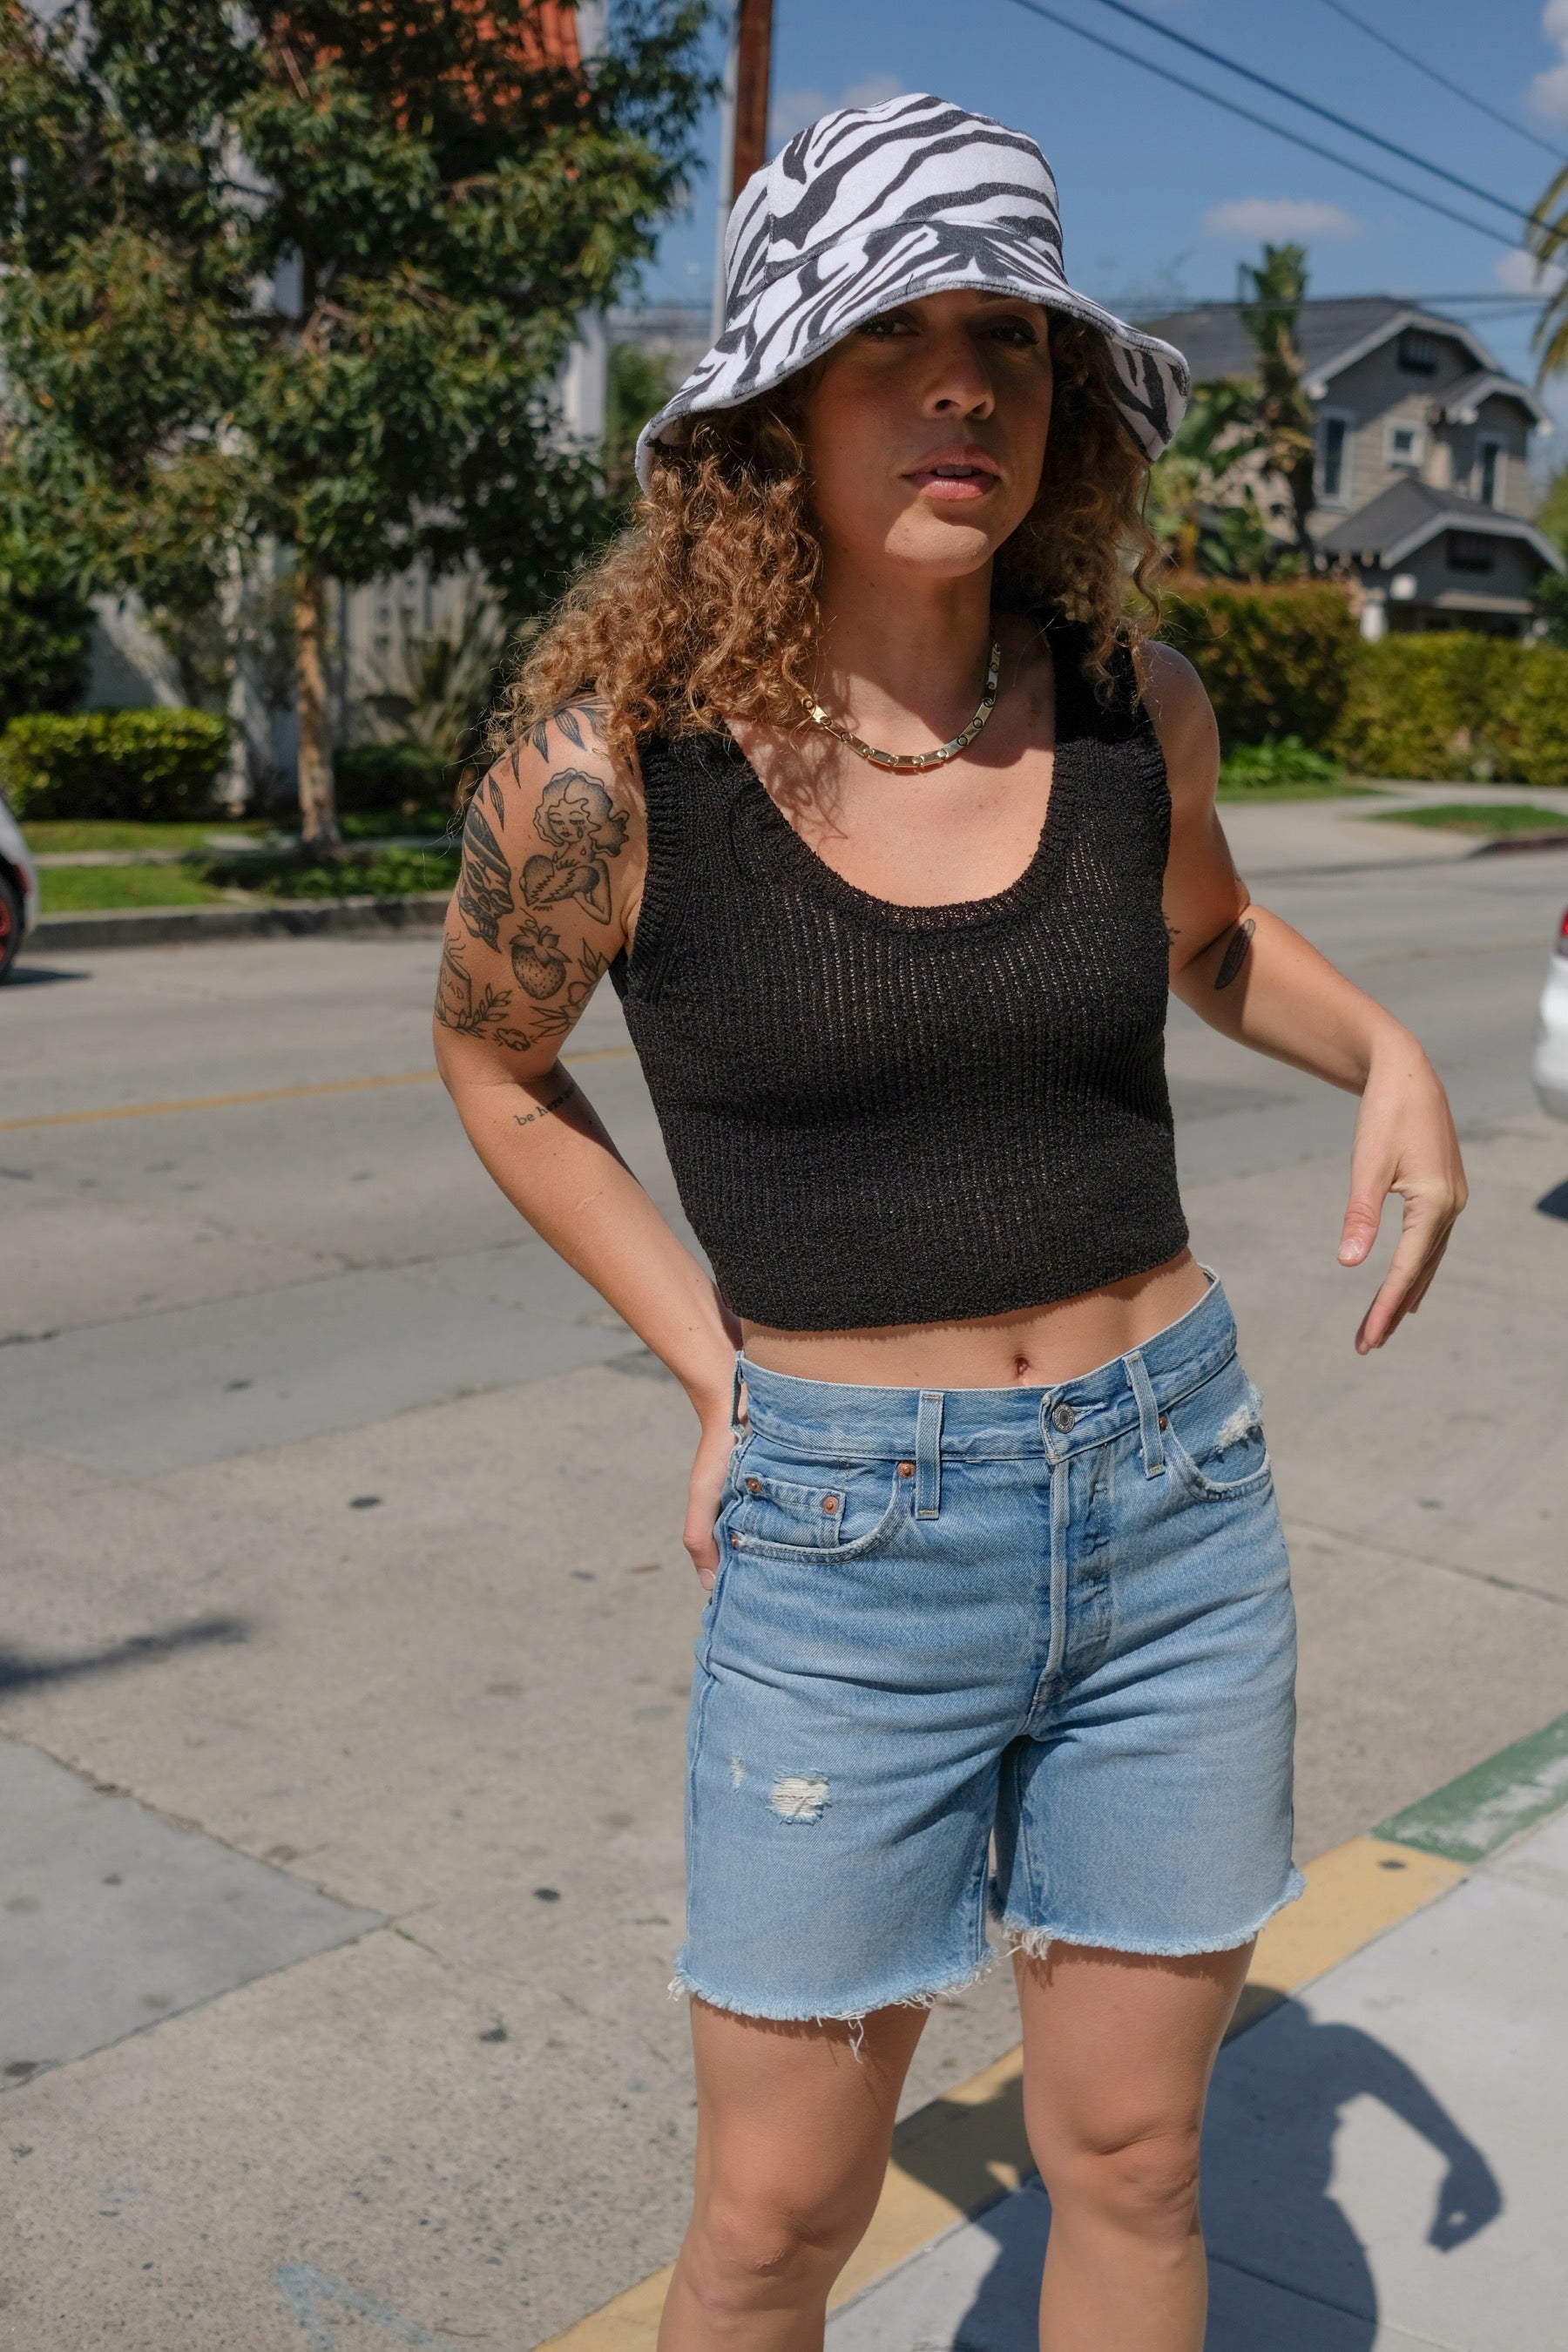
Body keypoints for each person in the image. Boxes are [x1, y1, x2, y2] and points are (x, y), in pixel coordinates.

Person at [434, 93, 1465, 2352]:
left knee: (1140, 2160)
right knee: (775, 2223)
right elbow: (498, 1069)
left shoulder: (1129, 711)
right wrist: (712, 1367)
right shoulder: (611, 772)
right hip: (849, 1543)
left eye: (1007, 338)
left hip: (1178, 1505)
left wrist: (1389, 1052)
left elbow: (1211, 941)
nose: (962, 387)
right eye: (892, 338)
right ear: (778, 407)